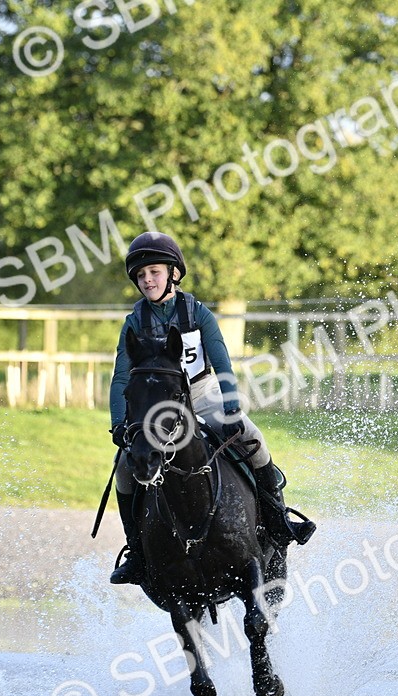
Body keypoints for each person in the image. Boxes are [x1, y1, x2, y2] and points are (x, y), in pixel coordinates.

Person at [107, 232, 316, 585]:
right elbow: (121, 378)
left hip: (203, 395)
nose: (147, 281)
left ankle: (278, 520)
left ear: (173, 273)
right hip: (159, 408)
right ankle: (137, 553)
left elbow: (222, 364)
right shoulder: (134, 322)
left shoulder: (197, 312)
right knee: (127, 468)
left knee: (254, 438)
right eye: (141, 276)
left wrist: (232, 408)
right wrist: (119, 424)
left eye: (154, 272)